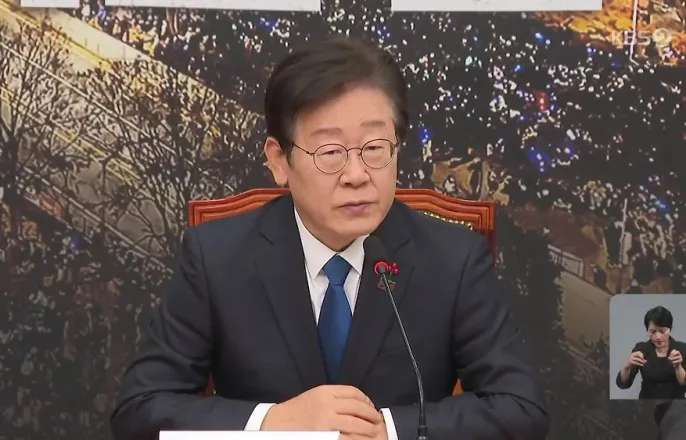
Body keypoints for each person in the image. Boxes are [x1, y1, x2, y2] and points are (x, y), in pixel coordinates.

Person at [110, 36, 549, 440]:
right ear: (279, 160)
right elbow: (140, 410)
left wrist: (386, 430)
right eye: (331, 152)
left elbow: (520, 409)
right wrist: (273, 422)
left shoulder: (453, 260)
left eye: (374, 148)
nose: (357, 175)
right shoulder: (217, 257)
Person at [616, 306, 686, 399]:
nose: (658, 337)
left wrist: (678, 367)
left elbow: (684, 384)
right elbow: (624, 384)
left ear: (670, 329)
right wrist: (627, 366)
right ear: (647, 330)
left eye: (662, 331)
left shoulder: (682, 348)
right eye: (653, 332)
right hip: (647, 403)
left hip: (675, 404)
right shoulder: (641, 349)